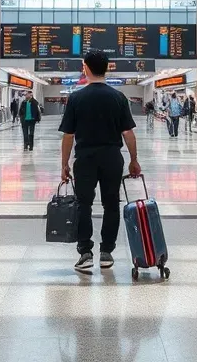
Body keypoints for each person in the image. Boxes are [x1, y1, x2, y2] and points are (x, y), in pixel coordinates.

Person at [60, 49, 140, 273]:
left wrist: (64, 164)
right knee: (111, 204)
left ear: (85, 67)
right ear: (107, 68)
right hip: (112, 157)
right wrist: (134, 160)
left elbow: (68, 135)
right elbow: (128, 133)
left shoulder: (76, 98)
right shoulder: (118, 97)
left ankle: (85, 253)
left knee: (83, 204)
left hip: (85, 158)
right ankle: (106, 252)